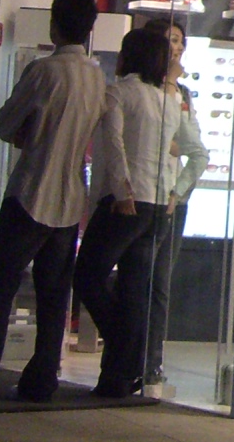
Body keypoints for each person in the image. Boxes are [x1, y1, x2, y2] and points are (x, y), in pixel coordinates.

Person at [0, 0, 107, 402]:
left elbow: (6, 124)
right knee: (54, 297)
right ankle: (42, 379)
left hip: (32, 190)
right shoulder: (96, 76)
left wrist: (26, 131)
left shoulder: (43, 70)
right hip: (71, 197)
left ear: (54, 25)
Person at [74, 26, 181, 397]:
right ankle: (120, 376)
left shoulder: (118, 93)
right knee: (135, 289)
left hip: (126, 200)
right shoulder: (168, 101)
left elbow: (113, 145)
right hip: (157, 204)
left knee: (87, 275)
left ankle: (122, 348)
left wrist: (121, 191)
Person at [139, 17, 207, 389]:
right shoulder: (142, 88)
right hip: (142, 193)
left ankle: (152, 361)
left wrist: (177, 193)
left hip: (171, 198)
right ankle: (130, 355)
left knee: (160, 284)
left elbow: (190, 147)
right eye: (169, 40)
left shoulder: (183, 94)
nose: (176, 48)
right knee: (138, 278)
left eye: (180, 40)